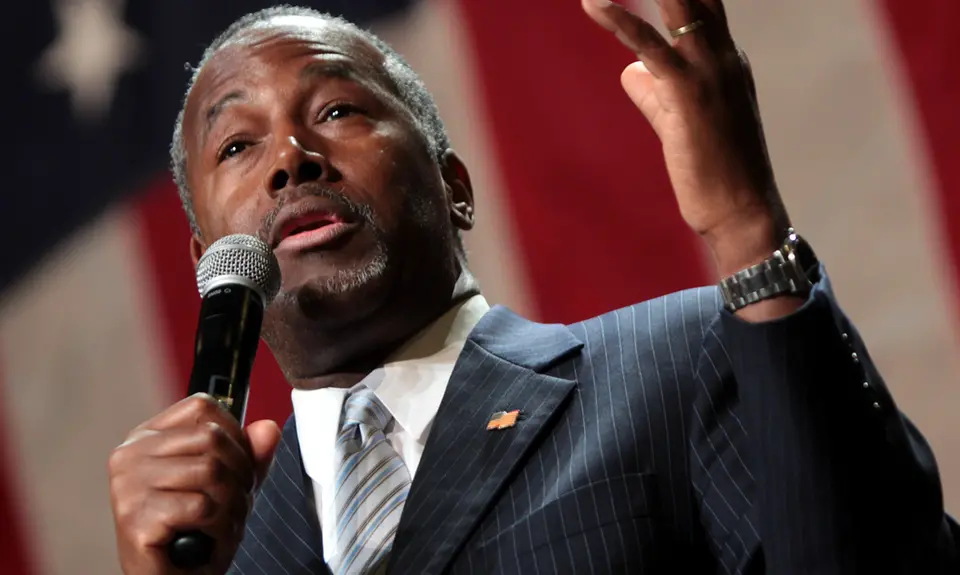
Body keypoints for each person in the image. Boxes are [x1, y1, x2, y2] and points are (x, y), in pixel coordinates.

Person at [107, 0, 959, 573]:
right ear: (205, 257)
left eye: (336, 110)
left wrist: (747, 227)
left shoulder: (685, 361)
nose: (291, 158)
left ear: (455, 187)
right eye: (237, 146)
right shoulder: (219, 547)